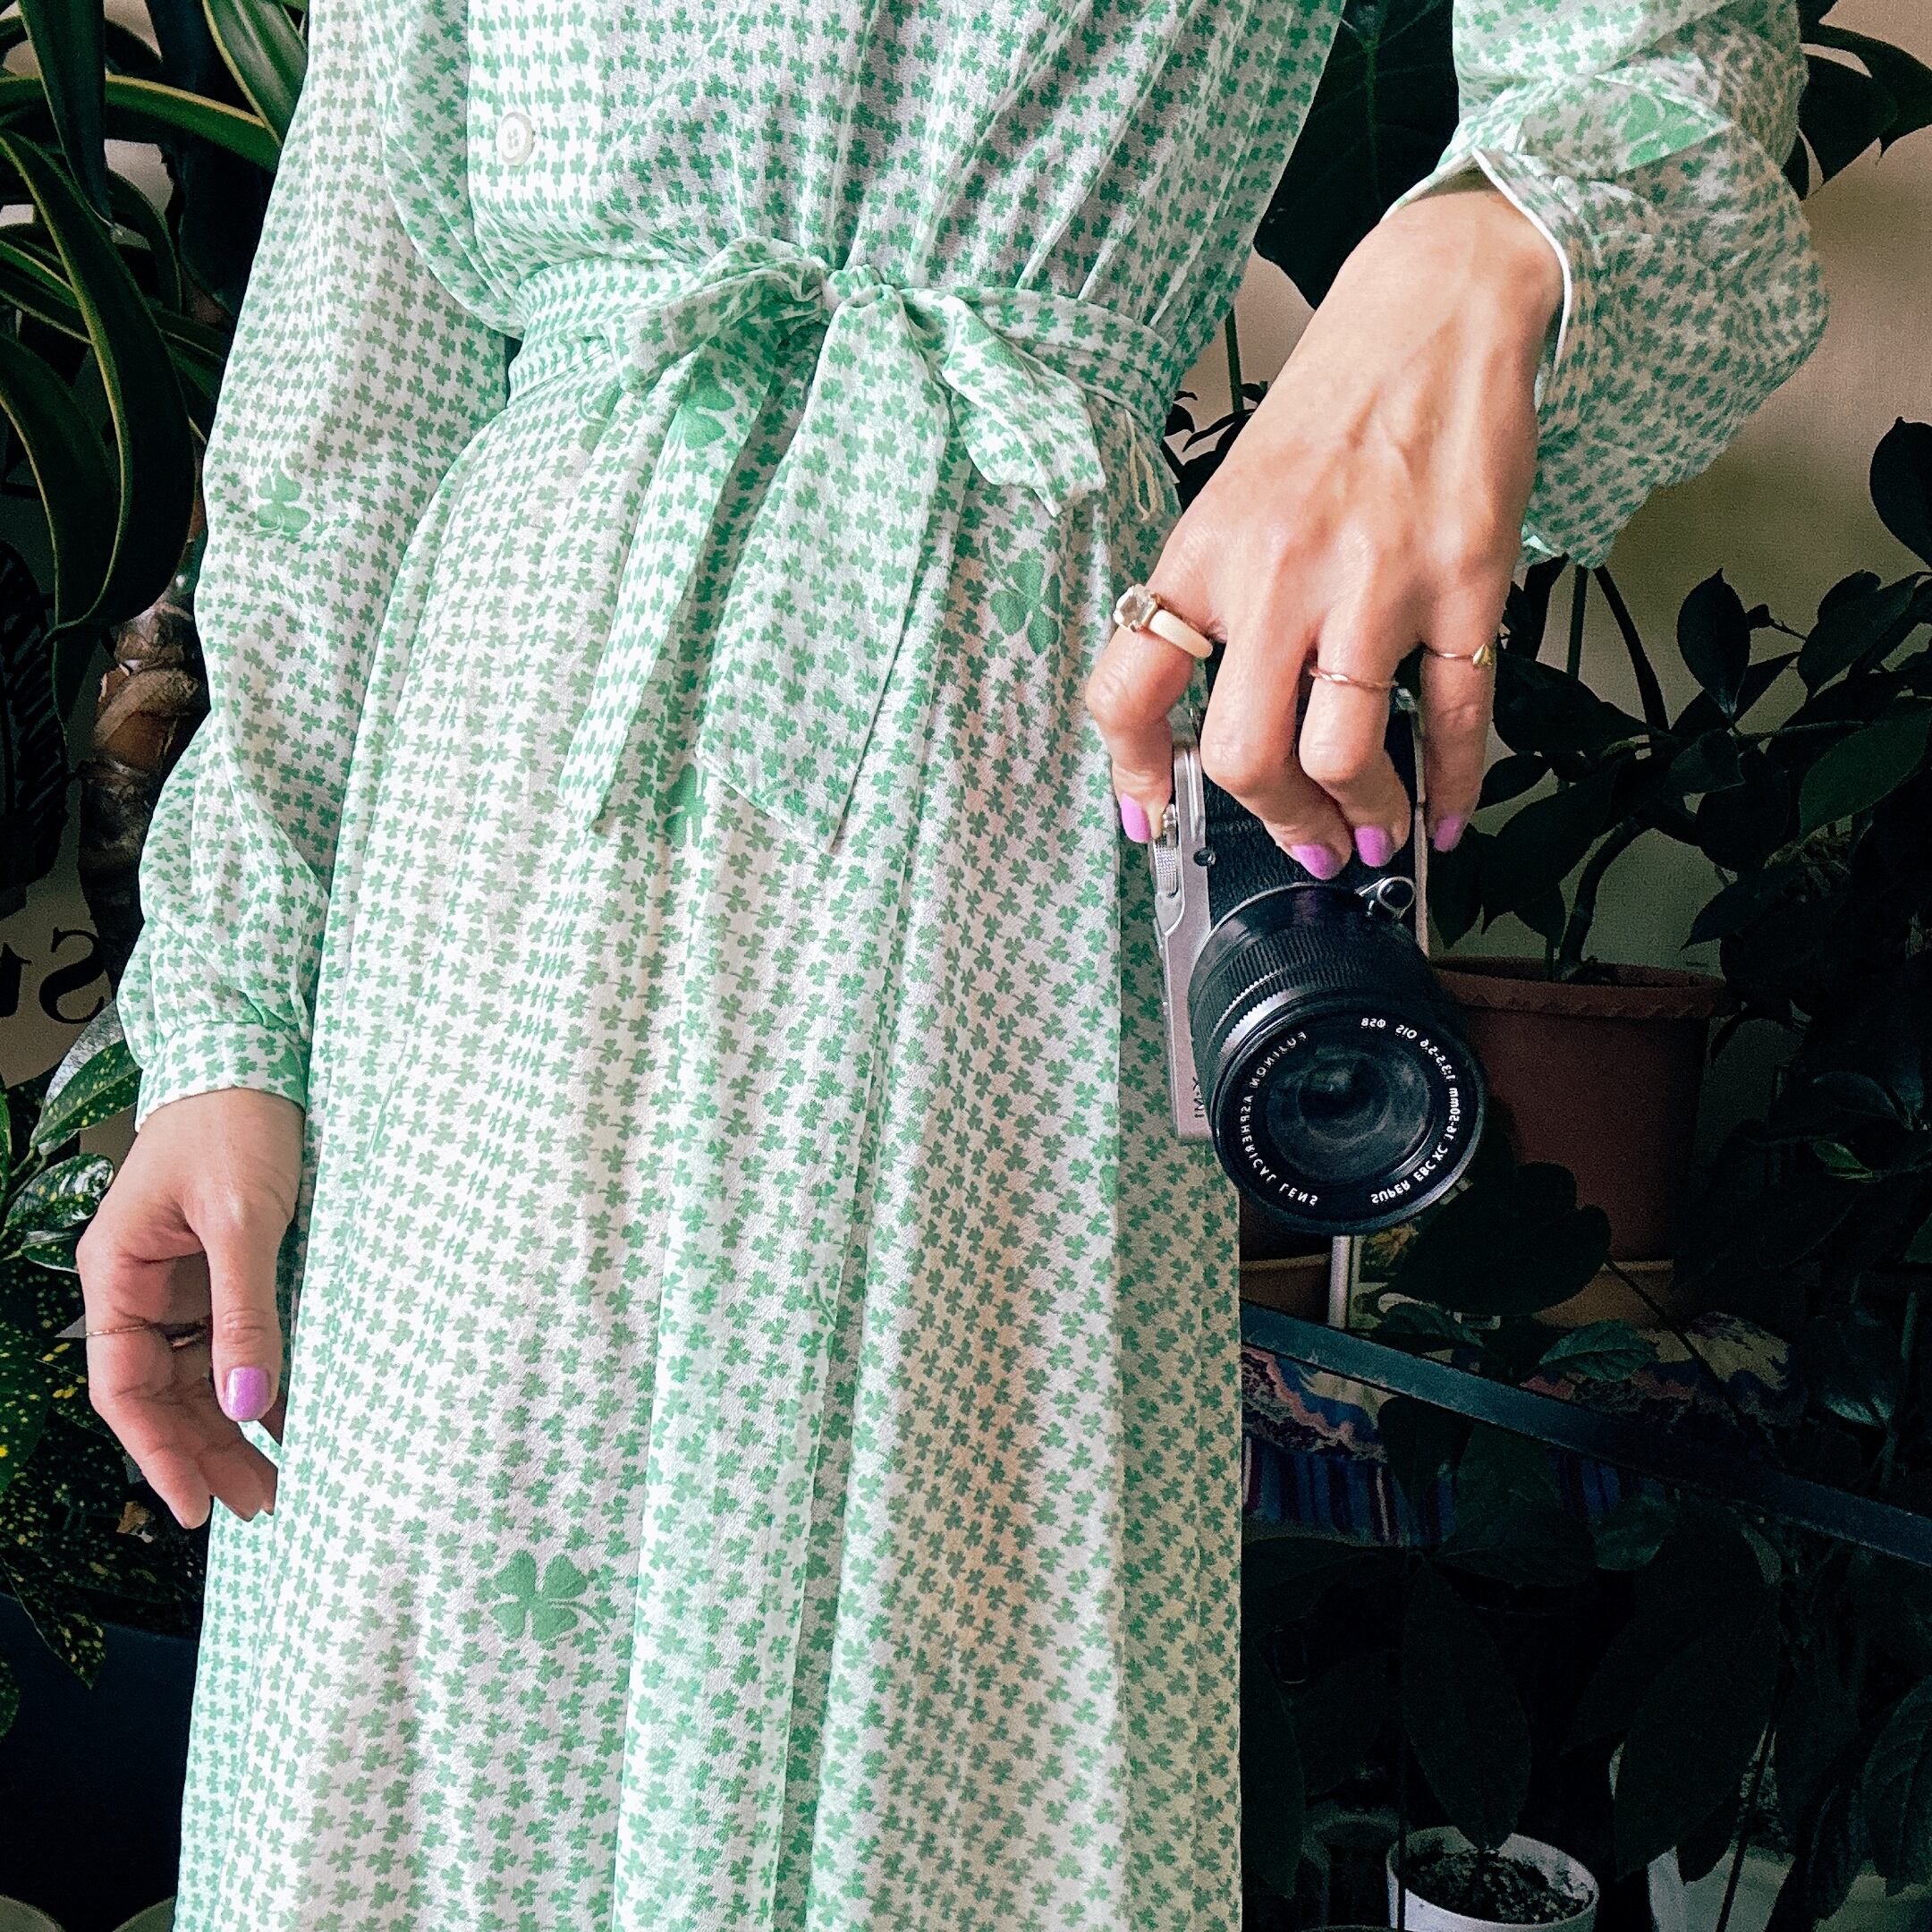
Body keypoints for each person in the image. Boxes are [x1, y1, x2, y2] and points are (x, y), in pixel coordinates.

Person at [75, 0, 1825, 1924]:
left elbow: (1664, 61)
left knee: (944, 1727)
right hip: (489, 885)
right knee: (426, 1737)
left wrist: (1487, 238)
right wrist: (230, 1021)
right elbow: (346, 425)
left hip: (1003, 842)